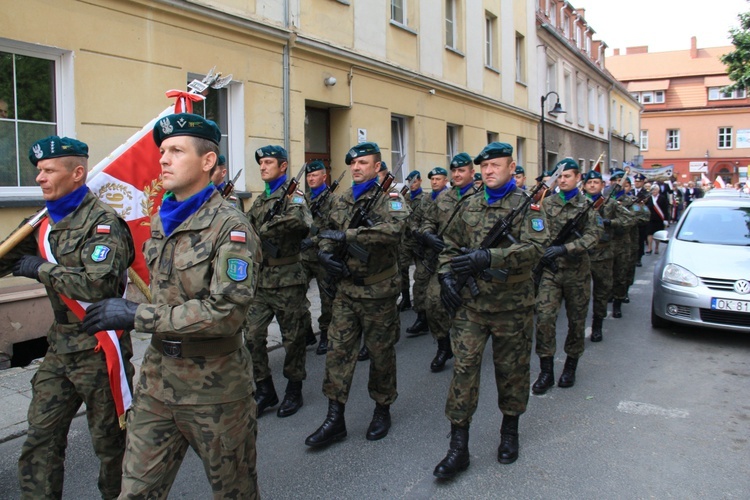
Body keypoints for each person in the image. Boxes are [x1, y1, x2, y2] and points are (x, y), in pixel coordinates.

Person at [82, 114, 262, 498]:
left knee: (235, 492)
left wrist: (136, 315)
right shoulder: (161, 220)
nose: (162, 159)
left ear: (207, 161)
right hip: (158, 383)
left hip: (215, 389)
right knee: (134, 493)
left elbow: (227, 312)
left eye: (176, 151)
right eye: (162, 151)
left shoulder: (231, 228)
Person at [0, 136, 135, 500]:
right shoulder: (41, 223)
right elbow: (6, 260)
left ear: (77, 173)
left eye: (48, 171)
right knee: (40, 439)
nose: (39, 178)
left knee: (112, 448)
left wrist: (41, 268)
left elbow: (97, 284)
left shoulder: (104, 224)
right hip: (59, 350)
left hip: (98, 349)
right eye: (38, 171)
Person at [432, 142, 548, 479]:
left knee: (511, 371)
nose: (489, 171)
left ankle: (509, 432)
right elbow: (448, 246)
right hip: (472, 307)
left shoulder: (530, 206)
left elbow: (536, 249)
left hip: (513, 307)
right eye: (484, 166)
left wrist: (491, 257)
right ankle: (458, 448)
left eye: (496, 165)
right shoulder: (469, 204)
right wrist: (446, 277)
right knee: (463, 371)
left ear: (512, 167)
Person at [305, 141, 409, 448]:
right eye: (353, 163)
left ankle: (382, 408)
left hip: (378, 292)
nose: (356, 168)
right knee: (338, 353)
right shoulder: (343, 199)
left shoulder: (391, 199)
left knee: (380, 354)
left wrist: (349, 235)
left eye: (363, 163)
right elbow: (325, 231)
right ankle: (334, 418)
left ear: (377, 167)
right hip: (347, 292)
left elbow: (395, 231)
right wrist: (325, 253)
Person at [244, 145, 313, 417]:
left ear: (283, 167)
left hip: (287, 280)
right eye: (261, 163)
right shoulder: (261, 201)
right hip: (262, 281)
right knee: (251, 336)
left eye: (269, 162)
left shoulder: (294, 195)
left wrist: (264, 230)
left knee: (293, 338)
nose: (263, 167)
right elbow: (246, 225)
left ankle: (294, 388)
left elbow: (300, 221)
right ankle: (264, 388)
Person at [532, 158, 601, 395]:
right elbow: (536, 233)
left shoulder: (588, 207)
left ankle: (570, 365)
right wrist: (543, 253)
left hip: (577, 273)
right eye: (560, 177)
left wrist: (565, 248)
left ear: (578, 178)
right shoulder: (546, 203)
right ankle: (546, 370)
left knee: (576, 321)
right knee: (544, 318)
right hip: (551, 272)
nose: (562, 180)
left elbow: (593, 237)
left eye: (568, 176)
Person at [418, 153, 477, 372]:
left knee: (467, 307)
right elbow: (427, 221)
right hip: (444, 260)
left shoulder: (479, 197)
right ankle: (444, 346)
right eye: (454, 171)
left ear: (471, 172)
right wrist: (427, 234)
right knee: (434, 302)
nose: (457, 174)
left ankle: (467, 350)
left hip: (470, 262)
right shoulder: (443, 197)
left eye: (461, 170)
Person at [582, 170, 632, 340]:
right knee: (580, 294)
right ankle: (578, 324)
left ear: (602, 185)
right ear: (584, 185)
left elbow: (629, 220)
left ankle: (597, 324)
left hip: (603, 253)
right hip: (583, 254)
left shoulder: (610, 203)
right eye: (589, 183)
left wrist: (611, 222)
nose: (592, 185)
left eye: (596, 182)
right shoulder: (579, 203)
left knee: (602, 291)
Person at [406, 167, 449, 337]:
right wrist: (418, 232)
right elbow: (414, 219)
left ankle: (447, 325)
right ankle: (422, 318)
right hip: (426, 251)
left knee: (443, 290)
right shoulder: (425, 199)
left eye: (438, 179)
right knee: (419, 284)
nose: (435, 182)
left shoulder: (452, 198)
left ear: (445, 180)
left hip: (446, 252)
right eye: (433, 179)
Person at [301, 160, 336, 355]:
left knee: (326, 298)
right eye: (309, 176)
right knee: (297, 295)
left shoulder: (333, 200)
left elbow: (331, 229)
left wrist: (313, 240)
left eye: (314, 175)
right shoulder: (304, 199)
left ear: (324, 177)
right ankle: (306, 331)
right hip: (304, 257)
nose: (311, 178)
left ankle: (325, 334)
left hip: (323, 255)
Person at [396, 169, 423, 313]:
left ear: (420, 181)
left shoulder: (425, 199)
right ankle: (406, 298)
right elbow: (397, 214)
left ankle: (421, 304)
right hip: (405, 240)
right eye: (409, 182)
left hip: (418, 241)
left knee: (420, 273)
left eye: (414, 181)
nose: (412, 184)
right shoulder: (404, 197)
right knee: (402, 270)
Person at [645, 184, 669, 255]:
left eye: (655, 189)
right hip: (650, 218)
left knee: (657, 234)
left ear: (658, 190)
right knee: (649, 233)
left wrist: (666, 219)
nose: (654, 191)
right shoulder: (649, 198)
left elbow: (665, 209)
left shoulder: (662, 198)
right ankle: (649, 248)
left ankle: (657, 247)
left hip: (659, 219)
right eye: (652, 190)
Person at [632, 173, 649, 265]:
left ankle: (639, 257)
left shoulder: (646, 193)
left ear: (643, 182)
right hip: (632, 219)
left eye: (639, 181)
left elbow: (650, 206)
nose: (637, 183)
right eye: (636, 181)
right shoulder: (630, 192)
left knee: (640, 239)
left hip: (641, 220)